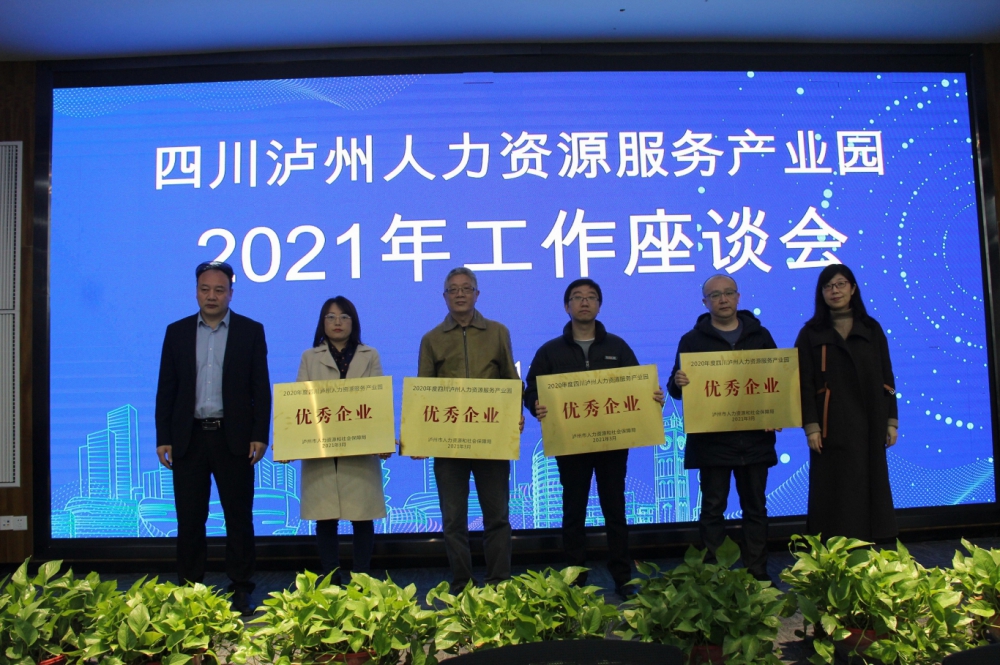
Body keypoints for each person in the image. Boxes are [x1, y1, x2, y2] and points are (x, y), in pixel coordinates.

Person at [523, 278, 664, 597]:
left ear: (599, 305)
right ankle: (576, 579)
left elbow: (637, 386)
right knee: (574, 511)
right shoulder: (550, 351)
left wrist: (652, 395)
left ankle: (623, 577)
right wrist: (535, 405)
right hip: (570, 443)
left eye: (591, 297)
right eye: (577, 297)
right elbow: (531, 389)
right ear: (567, 306)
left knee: (615, 510)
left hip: (613, 442)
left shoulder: (617, 347)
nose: (584, 302)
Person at [155, 261, 271, 615]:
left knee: (239, 517)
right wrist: (163, 436)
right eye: (205, 289)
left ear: (231, 294)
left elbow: (260, 388)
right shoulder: (176, 332)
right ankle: (190, 588)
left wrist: (260, 434)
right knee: (190, 518)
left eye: (219, 290)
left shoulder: (250, 331)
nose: (211, 296)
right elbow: (166, 389)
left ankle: (241, 587)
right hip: (188, 437)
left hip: (233, 438)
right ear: (196, 292)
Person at [415, 267, 523, 594]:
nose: (460, 294)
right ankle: (462, 584)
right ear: (444, 296)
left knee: (497, 516)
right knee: (453, 520)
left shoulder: (498, 332)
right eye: (453, 289)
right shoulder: (431, 339)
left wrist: (515, 415)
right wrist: (419, 436)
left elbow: (511, 380)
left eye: (466, 288)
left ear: (477, 294)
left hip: (491, 440)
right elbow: (424, 393)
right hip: (449, 444)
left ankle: (499, 582)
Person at [666, 274, 778, 581]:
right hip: (712, 442)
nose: (723, 299)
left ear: (738, 297)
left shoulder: (760, 336)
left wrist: (777, 412)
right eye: (715, 295)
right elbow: (675, 390)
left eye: (728, 293)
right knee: (713, 509)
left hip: (754, 440)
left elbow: (776, 381)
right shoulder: (692, 340)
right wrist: (678, 382)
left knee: (756, 509)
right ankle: (716, 577)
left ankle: (758, 575)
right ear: (705, 302)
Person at [795, 264, 898, 541]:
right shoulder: (810, 333)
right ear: (821, 293)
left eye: (841, 284)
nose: (835, 291)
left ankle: (874, 545)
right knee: (832, 489)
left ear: (852, 289)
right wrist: (811, 426)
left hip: (870, 420)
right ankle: (831, 548)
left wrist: (891, 420)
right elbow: (802, 383)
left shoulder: (871, 328)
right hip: (830, 425)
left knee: (869, 483)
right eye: (828, 286)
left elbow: (887, 378)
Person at [293, 296, 389, 583]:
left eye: (344, 317)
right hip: (321, 448)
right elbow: (299, 403)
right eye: (331, 317)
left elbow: (377, 402)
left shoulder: (369, 355)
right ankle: (331, 578)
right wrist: (290, 441)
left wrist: (384, 439)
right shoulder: (309, 357)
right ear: (322, 323)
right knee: (325, 517)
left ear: (353, 322)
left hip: (360, 447)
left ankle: (362, 578)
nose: (338, 322)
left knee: (362, 516)